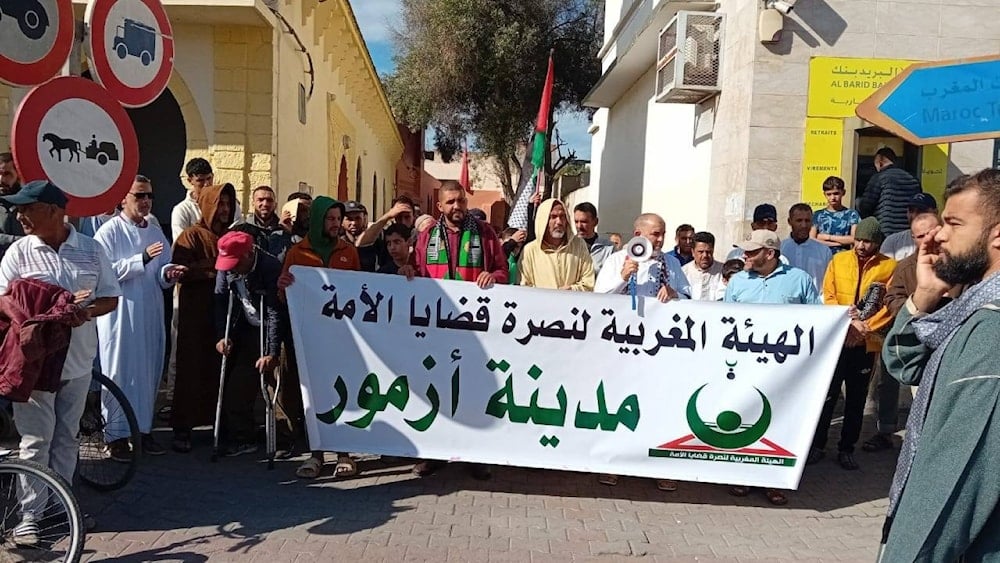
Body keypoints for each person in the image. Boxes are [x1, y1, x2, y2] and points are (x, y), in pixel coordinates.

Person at [879, 169, 1000, 561]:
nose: (939, 235)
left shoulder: (991, 332)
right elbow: (908, 365)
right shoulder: (971, 309)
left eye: (954, 223)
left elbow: (951, 487)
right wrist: (927, 293)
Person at [0, 180, 121, 539]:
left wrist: (83, 311)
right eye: (18, 209)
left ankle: (61, 505)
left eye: (27, 208)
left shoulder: (91, 250)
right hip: (34, 364)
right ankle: (29, 519)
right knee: (36, 440)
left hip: (78, 363)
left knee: (67, 437)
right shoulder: (19, 253)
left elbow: (110, 298)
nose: (19, 215)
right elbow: (3, 300)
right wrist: (49, 313)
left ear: (54, 211)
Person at [401, 180, 508, 480]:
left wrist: (493, 276)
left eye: (460, 201)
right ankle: (435, 454)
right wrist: (408, 270)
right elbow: (417, 270)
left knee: (473, 391)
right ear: (440, 206)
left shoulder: (485, 234)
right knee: (435, 389)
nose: (457, 207)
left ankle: (474, 455)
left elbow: (503, 271)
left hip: (474, 331)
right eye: (450, 202)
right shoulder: (426, 237)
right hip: (436, 329)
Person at [724, 229, 819, 506]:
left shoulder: (799, 280)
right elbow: (725, 320)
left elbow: (817, 318)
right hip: (745, 365)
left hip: (785, 369)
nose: (746, 256)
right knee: (744, 418)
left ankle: (774, 481)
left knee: (779, 422)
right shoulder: (738, 281)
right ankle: (742, 476)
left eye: (752, 251)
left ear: (770, 253)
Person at [94, 176, 186, 458]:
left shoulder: (156, 232)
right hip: (119, 315)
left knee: (148, 370)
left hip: (149, 310)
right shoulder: (108, 232)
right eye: (139, 196)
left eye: (149, 196)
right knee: (119, 371)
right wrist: (140, 260)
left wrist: (169, 273)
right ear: (124, 198)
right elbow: (103, 273)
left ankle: (143, 431)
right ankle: (116, 437)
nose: (145, 201)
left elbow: (161, 270)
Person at [277, 196, 361, 479]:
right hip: (310, 339)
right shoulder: (297, 253)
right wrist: (284, 285)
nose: (336, 224)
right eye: (330, 219)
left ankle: (344, 453)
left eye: (338, 219)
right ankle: (316, 454)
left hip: (342, 337)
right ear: (317, 221)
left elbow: (361, 292)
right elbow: (283, 295)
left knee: (342, 390)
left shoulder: (349, 252)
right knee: (314, 394)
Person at [864, 211, 956, 453]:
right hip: (916, 338)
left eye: (931, 232)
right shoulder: (905, 267)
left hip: (952, 341)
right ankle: (888, 432)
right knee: (897, 384)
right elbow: (893, 296)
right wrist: (913, 310)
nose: (927, 238)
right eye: (919, 235)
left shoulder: (962, 262)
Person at [810, 217, 895, 471]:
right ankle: (818, 445)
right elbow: (830, 295)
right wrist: (847, 325)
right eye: (858, 239)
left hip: (865, 342)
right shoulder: (838, 260)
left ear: (877, 243)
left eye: (867, 241)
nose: (860, 245)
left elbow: (887, 304)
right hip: (838, 339)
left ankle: (847, 449)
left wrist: (863, 328)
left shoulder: (889, 266)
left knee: (856, 400)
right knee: (827, 396)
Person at [170, 183, 237, 453]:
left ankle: (217, 426)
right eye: (219, 204)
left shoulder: (231, 236)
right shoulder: (191, 236)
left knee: (217, 370)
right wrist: (215, 267)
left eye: (228, 205)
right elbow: (182, 270)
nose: (224, 210)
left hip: (222, 314)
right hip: (195, 315)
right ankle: (182, 428)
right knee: (191, 369)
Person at [214, 231, 282, 456]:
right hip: (247, 329)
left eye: (234, 263)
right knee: (238, 385)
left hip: (275, 329)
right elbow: (221, 301)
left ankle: (282, 437)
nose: (229, 268)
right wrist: (222, 336)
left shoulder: (270, 266)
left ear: (248, 255)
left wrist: (272, 352)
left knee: (277, 383)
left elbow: (274, 312)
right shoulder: (226, 268)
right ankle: (243, 436)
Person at [595, 213, 691, 301]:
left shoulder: (672, 262)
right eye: (656, 234)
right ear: (638, 234)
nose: (660, 239)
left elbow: (688, 296)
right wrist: (622, 278)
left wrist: (674, 294)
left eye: (663, 234)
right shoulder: (616, 260)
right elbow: (599, 298)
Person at [518, 199, 595, 291]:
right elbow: (523, 286)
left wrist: (572, 289)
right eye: (553, 217)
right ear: (543, 220)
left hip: (572, 303)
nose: (559, 222)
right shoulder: (530, 250)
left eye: (562, 216)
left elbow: (588, 283)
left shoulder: (579, 245)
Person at [170, 158, 242, 241]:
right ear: (190, 181)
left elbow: (239, 233)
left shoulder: (229, 204)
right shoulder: (182, 210)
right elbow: (181, 243)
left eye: (209, 178)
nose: (206, 184)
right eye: (200, 180)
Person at [855, 147, 921, 236]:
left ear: (880, 162)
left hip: (885, 231)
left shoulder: (879, 178)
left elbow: (866, 206)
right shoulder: (913, 179)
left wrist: (858, 202)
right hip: (908, 231)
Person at [356, 194, 416, 270]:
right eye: (398, 217)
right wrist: (387, 216)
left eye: (407, 217)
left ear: (414, 216)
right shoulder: (384, 235)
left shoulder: (420, 237)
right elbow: (361, 243)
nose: (403, 221)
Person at [781, 203, 832, 290]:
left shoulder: (824, 251)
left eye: (807, 221)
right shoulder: (781, 249)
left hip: (815, 301)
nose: (804, 225)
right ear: (790, 222)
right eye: (799, 221)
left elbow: (830, 282)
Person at [879, 192, 937, 260]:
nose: (914, 215)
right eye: (911, 211)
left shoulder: (945, 240)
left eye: (921, 210)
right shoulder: (892, 242)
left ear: (935, 212)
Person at [812, 176, 860, 254]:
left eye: (836, 193)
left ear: (843, 192)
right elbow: (812, 239)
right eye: (829, 194)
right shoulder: (818, 215)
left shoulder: (851, 214)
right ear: (824, 194)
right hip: (821, 256)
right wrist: (838, 243)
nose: (833, 197)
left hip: (843, 257)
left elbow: (854, 239)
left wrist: (827, 237)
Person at [573, 202, 615, 275]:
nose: (579, 226)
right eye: (576, 222)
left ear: (595, 222)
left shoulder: (608, 249)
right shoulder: (568, 246)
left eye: (584, 222)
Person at [681, 231, 724, 301]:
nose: (705, 256)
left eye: (708, 252)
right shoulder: (683, 272)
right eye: (701, 252)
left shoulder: (723, 271)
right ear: (692, 252)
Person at [342, 201, 378, 272]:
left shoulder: (376, 243)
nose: (354, 223)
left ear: (364, 219)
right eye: (349, 219)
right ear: (341, 222)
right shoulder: (337, 244)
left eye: (357, 218)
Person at [0, 152, 24, 258]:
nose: (1, 179)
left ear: (18, 174)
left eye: (7, 174)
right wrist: (21, 241)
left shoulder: (29, 202)